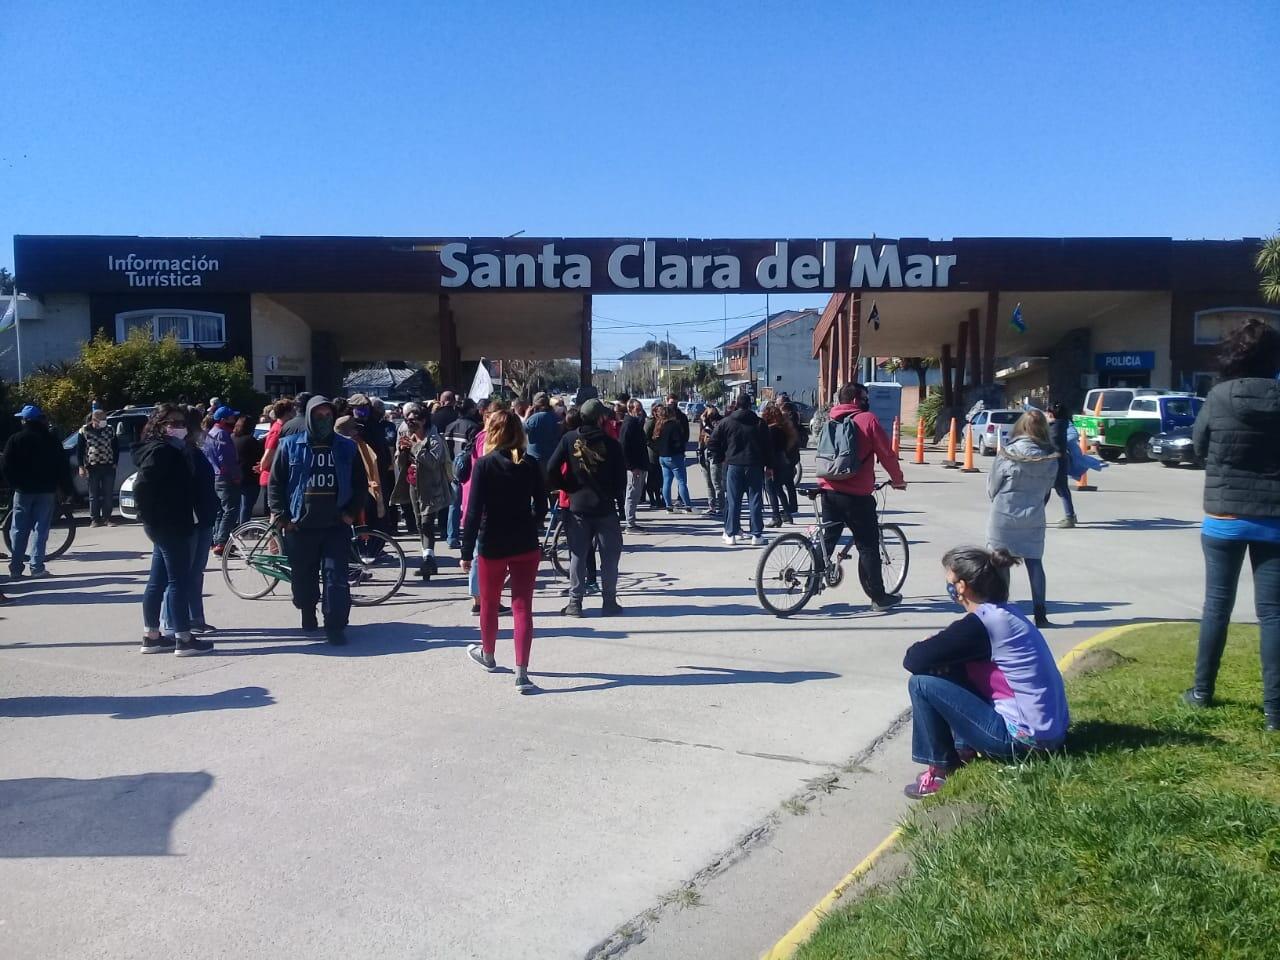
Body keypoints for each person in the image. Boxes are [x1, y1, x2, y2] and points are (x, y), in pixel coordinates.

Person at [900, 545, 1069, 798]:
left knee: (922, 683)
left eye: (950, 581)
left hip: (1024, 742)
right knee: (950, 667)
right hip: (1049, 734)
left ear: (962, 586)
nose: (949, 588)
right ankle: (963, 748)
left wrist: (928, 644)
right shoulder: (1005, 614)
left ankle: (940, 771)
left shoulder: (982, 625)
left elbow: (914, 660)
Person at [1183, 318, 1280, 730]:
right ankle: (1275, 712)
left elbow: (1199, 444)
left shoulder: (1218, 395)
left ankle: (1202, 691)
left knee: (1216, 607)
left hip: (1223, 516)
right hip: (1274, 518)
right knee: (1273, 614)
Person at [268, 396, 367, 646]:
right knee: (303, 577)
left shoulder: (346, 447)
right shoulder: (290, 445)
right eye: (318, 416)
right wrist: (282, 517)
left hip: (335, 525)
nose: (323, 420)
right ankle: (306, 609)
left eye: (327, 416)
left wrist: (351, 513)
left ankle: (335, 625)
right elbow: (276, 483)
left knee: (336, 578)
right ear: (309, 416)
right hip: (300, 526)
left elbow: (359, 483)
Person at [460, 409, 544, 694]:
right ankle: (522, 673)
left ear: (492, 432)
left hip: (492, 542)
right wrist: (531, 522)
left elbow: (473, 512)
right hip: (525, 542)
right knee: (522, 607)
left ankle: (489, 654)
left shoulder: (484, 464)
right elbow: (542, 506)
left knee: (489, 602)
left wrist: (465, 549)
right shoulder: (530, 463)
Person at [815, 383, 907, 608]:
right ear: (856, 399)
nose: (867, 401)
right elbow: (886, 454)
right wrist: (897, 479)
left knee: (827, 539)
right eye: (865, 397)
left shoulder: (831, 419)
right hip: (856, 495)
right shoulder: (867, 419)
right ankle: (879, 597)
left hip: (828, 489)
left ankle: (812, 580)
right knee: (867, 545)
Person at [132, 404, 210, 656]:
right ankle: (183, 638)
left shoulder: (168, 450)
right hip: (170, 524)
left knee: (158, 580)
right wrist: (150, 517)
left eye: (181, 423)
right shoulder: (162, 452)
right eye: (172, 423)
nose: (178, 427)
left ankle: (152, 635)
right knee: (179, 581)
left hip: (167, 523)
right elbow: (142, 488)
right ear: (159, 424)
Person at [547, 398, 626, 617]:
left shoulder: (569, 438)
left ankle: (575, 603)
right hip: (605, 508)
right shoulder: (612, 444)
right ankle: (609, 601)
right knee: (610, 557)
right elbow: (621, 481)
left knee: (578, 556)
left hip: (577, 506)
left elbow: (551, 468)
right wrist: (614, 496)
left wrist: (567, 486)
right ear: (601, 418)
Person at [987, 409, 1059, 628]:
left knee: (1001, 562)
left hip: (1004, 513)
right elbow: (1047, 490)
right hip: (1034, 513)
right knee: (1035, 562)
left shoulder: (1007, 454)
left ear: (1022, 427)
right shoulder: (1050, 459)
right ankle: (1040, 613)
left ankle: (1002, 609)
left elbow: (993, 486)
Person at [160, 405, 219, 637]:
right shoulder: (181, 452)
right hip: (189, 521)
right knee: (180, 575)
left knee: (195, 573)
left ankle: (195, 618)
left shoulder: (194, 451)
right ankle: (172, 622)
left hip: (202, 518)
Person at [3, 404, 73, 579]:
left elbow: (6, 466)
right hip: (46, 491)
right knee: (41, 529)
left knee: (18, 529)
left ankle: (16, 568)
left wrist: (14, 484)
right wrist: (67, 489)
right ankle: (37, 567)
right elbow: (62, 467)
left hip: (23, 491)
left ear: (25, 420)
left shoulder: (15, 439)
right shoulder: (51, 440)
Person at [391, 404, 453, 579]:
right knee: (419, 523)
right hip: (413, 485)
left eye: (413, 420)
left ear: (423, 420)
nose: (409, 424)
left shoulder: (434, 439)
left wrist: (415, 447)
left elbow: (433, 462)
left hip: (431, 487)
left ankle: (428, 560)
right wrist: (402, 452)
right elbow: (400, 463)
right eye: (406, 420)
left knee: (426, 522)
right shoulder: (406, 436)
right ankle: (428, 558)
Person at [709, 393, 772, 547]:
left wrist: (721, 458)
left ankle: (731, 533)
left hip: (733, 465)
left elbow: (712, 442)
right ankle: (756, 534)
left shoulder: (726, 422)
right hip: (754, 465)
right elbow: (769, 447)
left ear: (736, 404)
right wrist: (769, 465)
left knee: (733, 500)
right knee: (755, 500)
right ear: (750, 405)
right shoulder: (759, 423)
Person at [442, 398, 483, 548]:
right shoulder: (474, 427)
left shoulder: (450, 426)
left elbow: (446, 449)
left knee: (454, 504)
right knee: (469, 504)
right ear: (471, 409)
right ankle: (468, 535)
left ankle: (451, 536)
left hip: (453, 468)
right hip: (468, 470)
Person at [203, 405, 241, 555]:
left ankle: (216, 540)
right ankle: (222, 542)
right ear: (224, 420)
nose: (235, 420)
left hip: (215, 476)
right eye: (232, 418)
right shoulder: (222, 435)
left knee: (220, 511)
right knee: (230, 510)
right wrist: (235, 476)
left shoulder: (210, 433)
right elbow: (225, 458)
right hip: (224, 477)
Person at [77, 408, 119, 526]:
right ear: (94, 420)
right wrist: (81, 466)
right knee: (93, 495)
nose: (104, 421)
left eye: (105, 419)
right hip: (92, 466)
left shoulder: (110, 429)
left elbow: (116, 447)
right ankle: (94, 519)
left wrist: (115, 462)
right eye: (102, 419)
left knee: (108, 494)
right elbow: (79, 450)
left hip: (108, 466)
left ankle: (107, 518)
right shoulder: (84, 430)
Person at [762, 402, 799, 526]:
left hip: (774, 462)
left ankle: (776, 516)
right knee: (778, 489)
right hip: (783, 460)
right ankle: (787, 514)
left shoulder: (770, 430)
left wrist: (769, 465)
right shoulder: (782, 428)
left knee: (770, 489)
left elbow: (769, 449)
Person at [653, 403, 693, 512]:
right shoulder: (674, 425)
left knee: (667, 481)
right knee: (681, 481)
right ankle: (688, 506)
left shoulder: (659, 425)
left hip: (663, 456)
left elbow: (655, 441)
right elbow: (679, 441)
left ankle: (668, 506)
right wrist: (681, 451)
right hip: (674, 456)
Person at [620, 398, 650, 531]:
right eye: (637, 409)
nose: (640, 412)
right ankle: (630, 524)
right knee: (631, 494)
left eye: (641, 409)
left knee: (636, 494)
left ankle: (632, 521)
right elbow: (624, 448)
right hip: (634, 467)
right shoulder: (629, 424)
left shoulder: (636, 423)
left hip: (641, 464)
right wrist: (632, 467)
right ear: (630, 409)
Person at [257, 399, 295, 501]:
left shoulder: (278, 427)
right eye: (293, 410)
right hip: (272, 478)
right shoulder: (278, 430)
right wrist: (262, 466)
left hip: (275, 477)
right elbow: (269, 453)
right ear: (288, 413)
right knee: (277, 514)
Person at [231, 415, 263, 525]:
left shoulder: (232, 438)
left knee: (239, 505)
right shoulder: (250, 440)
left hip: (235, 475)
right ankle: (243, 527)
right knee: (247, 505)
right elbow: (260, 455)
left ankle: (238, 526)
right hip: (250, 477)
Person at [698, 404, 725, 517]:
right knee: (708, 483)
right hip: (704, 453)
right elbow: (701, 436)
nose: (708, 412)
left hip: (715, 455)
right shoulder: (704, 422)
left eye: (710, 409)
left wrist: (704, 422)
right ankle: (712, 506)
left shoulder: (720, 421)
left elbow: (713, 434)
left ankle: (722, 507)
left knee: (716, 483)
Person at [643, 403, 665, 508]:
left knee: (659, 478)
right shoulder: (650, 422)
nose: (662, 412)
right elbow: (645, 438)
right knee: (652, 478)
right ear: (655, 412)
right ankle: (652, 499)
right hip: (652, 453)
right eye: (660, 411)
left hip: (661, 453)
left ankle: (659, 499)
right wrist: (655, 447)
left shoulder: (662, 421)